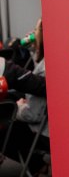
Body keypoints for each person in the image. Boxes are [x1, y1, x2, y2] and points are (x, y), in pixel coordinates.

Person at [0, 18, 49, 164]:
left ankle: (40, 168)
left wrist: (19, 108)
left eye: (35, 31)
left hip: (45, 134)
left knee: (4, 133)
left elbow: (33, 114)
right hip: (52, 131)